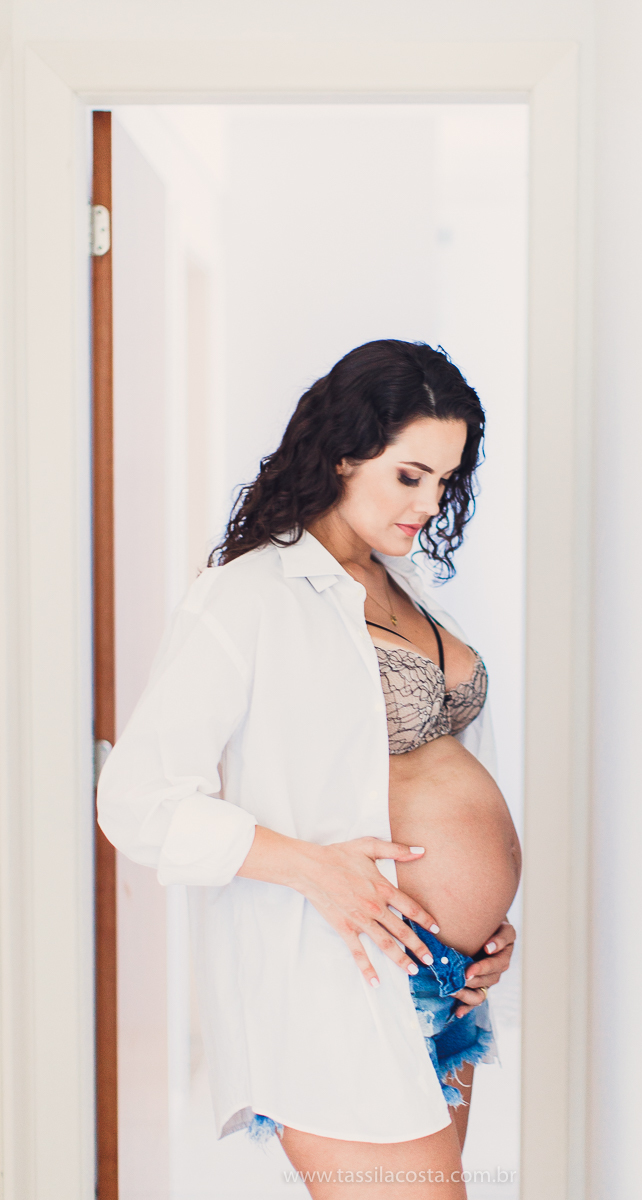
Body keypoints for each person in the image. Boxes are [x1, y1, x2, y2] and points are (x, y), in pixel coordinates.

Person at [97, 339, 522, 1198]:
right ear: (343, 450)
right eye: (409, 475)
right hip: (344, 975)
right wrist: (316, 870)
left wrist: (487, 925)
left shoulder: (402, 588)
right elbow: (136, 801)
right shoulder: (249, 594)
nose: (429, 501)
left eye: (445, 479)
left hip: (447, 980)